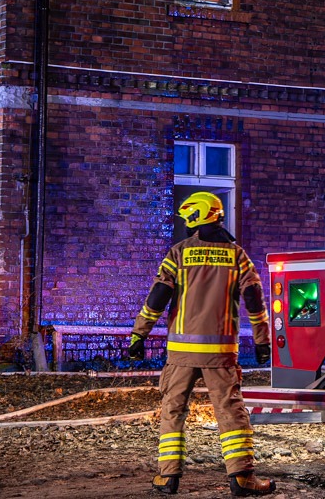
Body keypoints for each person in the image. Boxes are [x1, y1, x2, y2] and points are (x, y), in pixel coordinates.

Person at [126, 192, 275, 496]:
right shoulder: (237, 256)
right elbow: (254, 299)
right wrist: (262, 341)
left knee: (173, 410)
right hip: (220, 354)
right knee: (230, 412)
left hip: (180, 354)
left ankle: (168, 477)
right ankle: (243, 479)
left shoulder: (179, 253)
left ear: (197, 217)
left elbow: (158, 296)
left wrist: (139, 334)